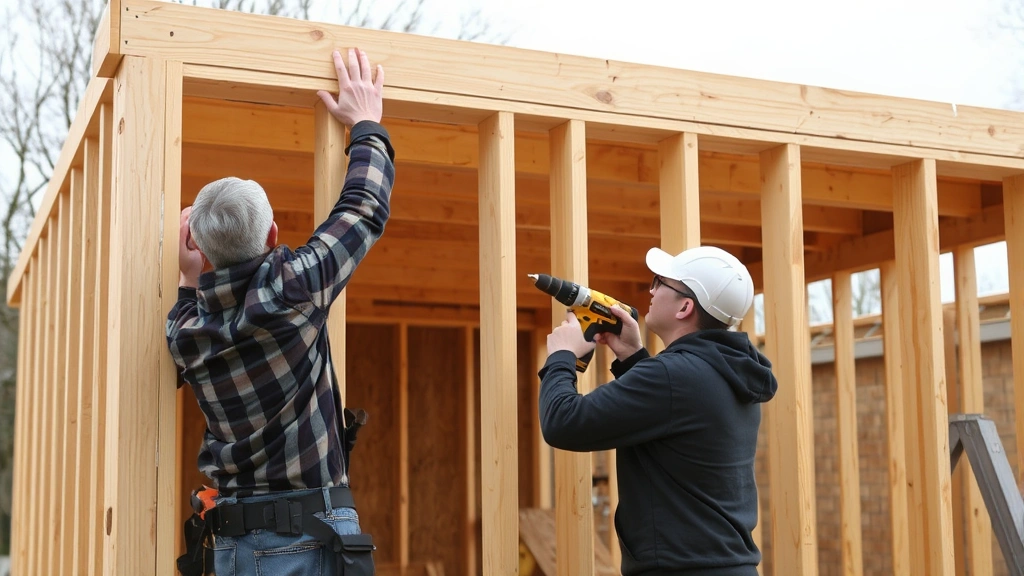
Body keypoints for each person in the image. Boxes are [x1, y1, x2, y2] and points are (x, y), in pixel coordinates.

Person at [166, 48, 393, 576]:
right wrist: (366, 123)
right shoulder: (294, 288)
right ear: (271, 236)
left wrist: (187, 273)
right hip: (307, 540)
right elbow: (363, 206)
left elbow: (187, 300)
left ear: (195, 246)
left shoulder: (187, 333)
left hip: (231, 546)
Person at [539, 245, 777, 576]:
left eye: (660, 282)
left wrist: (562, 356)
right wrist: (634, 358)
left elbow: (562, 423)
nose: (651, 290)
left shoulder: (672, 376)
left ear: (685, 306)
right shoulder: (729, 373)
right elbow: (670, 418)